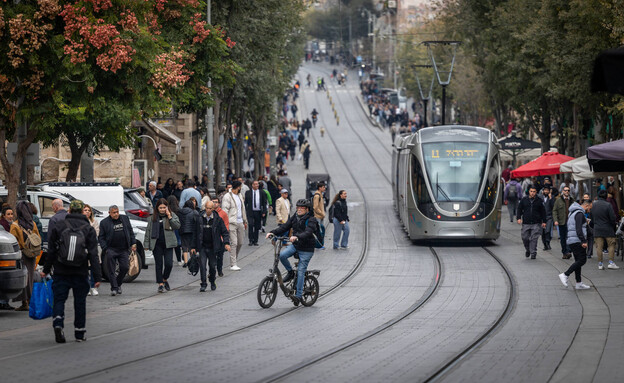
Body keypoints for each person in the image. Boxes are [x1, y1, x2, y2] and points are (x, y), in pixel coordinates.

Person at [40, 200, 101, 343]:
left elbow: (52, 250)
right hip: (80, 271)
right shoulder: (88, 228)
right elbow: (93, 253)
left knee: (59, 299)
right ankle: (79, 333)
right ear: (81, 212)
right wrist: (97, 276)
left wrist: (46, 269)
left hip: (61, 270)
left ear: (69, 211)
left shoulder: (59, 225)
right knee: (80, 302)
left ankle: (58, 323)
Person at [266, 199, 318, 306]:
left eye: (301, 208)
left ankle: (298, 296)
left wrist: (297, 236)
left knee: (300, 272)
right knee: (282, 255)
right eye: (297, 207)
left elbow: (308, 232)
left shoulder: (312, 220)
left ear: (307, 209)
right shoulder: (295, 216)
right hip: (296, 246)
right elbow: (285, 226)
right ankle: (290, 272)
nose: (298, 209)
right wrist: (272, 232)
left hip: (306, 249)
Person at [10, 200, 42, 311]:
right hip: (32, 254)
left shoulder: (15, 225)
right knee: (31, 276)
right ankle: (30, 301)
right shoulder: (32, 223)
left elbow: (14, 241)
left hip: (21, 254)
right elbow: (38, 237)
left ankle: (25, 302)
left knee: (23, 278)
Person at [144, 199, 181, 293]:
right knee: (159, 264)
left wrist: (169, 216)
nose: (162, 209)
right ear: (157, 208)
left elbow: (177, 226)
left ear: (167, 207)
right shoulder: (152, 218)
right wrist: (146, 244)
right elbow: (148, 231)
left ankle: (165, 279)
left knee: (169, 264)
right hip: (156, 244)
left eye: (164, 207)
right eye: (160, 208)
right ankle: (160, 284)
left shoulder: (172, 215)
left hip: (168, 244)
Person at [98, 205, 135, 296]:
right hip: (111, 249)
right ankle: (114, 288)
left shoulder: (124, 219)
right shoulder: (104, 222)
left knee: (125, 267)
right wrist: (105, 248)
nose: (116, 214)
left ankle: (118, 284)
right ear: (109, 213)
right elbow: (101, 237)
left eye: (117, 212)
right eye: (114, 212)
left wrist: (133, 243)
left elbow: (130, 231)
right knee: (111, 270)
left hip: (123, 249)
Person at [195, 200, 231, 291]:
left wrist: (226, 243)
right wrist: (192, 247)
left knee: (212, 266)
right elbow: (195, 233)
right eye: (207, 208)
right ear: (205, 208)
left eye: (210, 208)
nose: (208, 210)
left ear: (213, 208)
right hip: (202, 246)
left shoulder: (218, 219)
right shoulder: (199, 218)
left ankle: (212, 280)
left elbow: (224, 232)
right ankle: (203, 283)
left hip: (213, 247)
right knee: (202, 266)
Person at [559, 200, 592, 290]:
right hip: (577, 240)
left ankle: (578, 282)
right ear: (587, 205)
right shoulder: (579, 214)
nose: (590, 210)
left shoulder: (573, 212)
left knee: (578, 261)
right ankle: (565, 274)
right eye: (590, 207)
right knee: (582, 260)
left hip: (573, 240)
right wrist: (583, 241)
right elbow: (578, 229)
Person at [221, 180, 247, 271]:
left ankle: (234, 259)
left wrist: (245, 220)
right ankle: (233, 264)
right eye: (240, 186)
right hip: (232, 222)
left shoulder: (239, 196)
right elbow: (225, 210)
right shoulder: (227, 196)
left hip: (240, 222)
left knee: (240, 243)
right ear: (238, 187)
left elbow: (242, 209)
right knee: (234, 243)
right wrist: (226, 223)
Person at [516, 185, 546, 259]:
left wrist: (544, 221)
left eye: (534, 192)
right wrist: (518, 218)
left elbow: (543, 212)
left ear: (536, 192)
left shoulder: (539, 200)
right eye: (531, 191)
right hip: (526, 222)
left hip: (536, 223)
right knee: (525, 238)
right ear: (529, 192)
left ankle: (533, 253)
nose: (532, 193)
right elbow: (519, 209)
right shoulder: (524, 200)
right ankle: (528, 249)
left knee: (534, 238)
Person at [592, 189, 619, 270]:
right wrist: (613, 224)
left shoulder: (594, 205)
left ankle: (600, 264)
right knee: (611, 244)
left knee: (599, 247)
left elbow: (591, 216)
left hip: (597, 228)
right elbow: (612, 217)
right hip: (608, 228)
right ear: (606, 196)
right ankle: (611, 262)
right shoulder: (608, 205)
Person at [83, 204, 100, 296]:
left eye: (89, 210)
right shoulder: (80, 222)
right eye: (85, 210)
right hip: (82, 248)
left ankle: (93, 287)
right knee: (85, 268)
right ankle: (87, 287)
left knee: (94, 267)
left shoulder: (94, 222)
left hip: (92, 247)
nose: (87, 212)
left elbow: (96, 233)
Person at [177, 199, 199, 268]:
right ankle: (193, 260)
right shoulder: (194, 212)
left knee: (184, 246)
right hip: (191, 230)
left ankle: (186, 262)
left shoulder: (180, 212)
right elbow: (197, 221)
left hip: (183, 230)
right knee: (192, 246)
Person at [553, 186, 574, 259]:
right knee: (563, 238)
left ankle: (568, 251)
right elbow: (554, 210)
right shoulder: (558, 200)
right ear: (563, 191)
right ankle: (564, 252)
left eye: (568, 190)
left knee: (569, 237)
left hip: (570, 222)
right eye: (565, 190)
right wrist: (555, 220)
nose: (567, 192)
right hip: (562, 222)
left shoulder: (572, 200)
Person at [245, 180, 267, 246]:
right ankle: (250, 240)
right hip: (250, 211)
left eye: (257, 184)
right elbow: (245, 202)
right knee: (251, 225)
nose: (256, 185)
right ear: (252, 185)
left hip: (258, 211)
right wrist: (245, 210)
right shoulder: (248, 192)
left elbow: (264, 202)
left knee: (257, 226)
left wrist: (264, 211)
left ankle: (255, 240)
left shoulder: (262, 192)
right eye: (255, 184)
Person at [212, 196, 229, 277]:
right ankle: (212, 270)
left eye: (216, 202)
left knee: (220, 256)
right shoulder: (209, 213)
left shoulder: (223, 213)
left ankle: (220, 269)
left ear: (219, 203)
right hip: (211, 239)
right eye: (213, 202)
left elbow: (226, 226)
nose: (215, 204)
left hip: (220, 239)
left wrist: (223, 239)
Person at [312, 181, 327, 249]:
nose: (324, 188)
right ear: (319, 188)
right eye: (323, 187)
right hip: (318, 216)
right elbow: (315, 207)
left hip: (320, 216)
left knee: (321, 231)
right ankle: (318, 245)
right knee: (318, 231)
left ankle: (320, 244)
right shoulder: (317, 196)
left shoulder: (320, 195)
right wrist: (321, 213)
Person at [541, 185, 555, 250]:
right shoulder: (540, 197)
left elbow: (553, 206)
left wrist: (550, 198)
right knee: (542, 232)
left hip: (549, 217)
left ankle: (548, 243)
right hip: (541, 218)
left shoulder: (552, 198)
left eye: (547, 190)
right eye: (545, 190)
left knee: (547, 231)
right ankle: (545, 245)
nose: (546, 191)